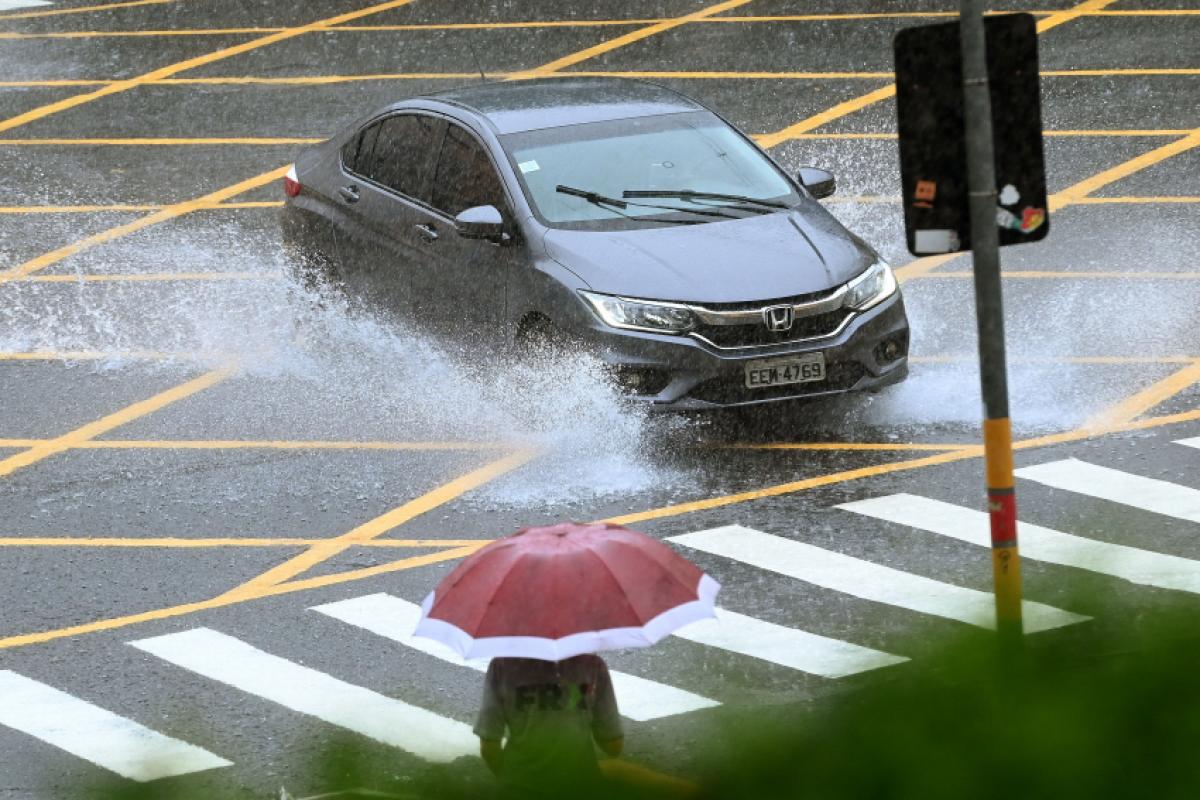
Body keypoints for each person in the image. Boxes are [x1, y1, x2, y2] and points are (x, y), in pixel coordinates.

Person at [474, 653, 624, 798]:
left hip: (518, 786)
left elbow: (489, 747)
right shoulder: (592, 665)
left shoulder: (501, 666)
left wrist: (514, 778)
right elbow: (613, 746)